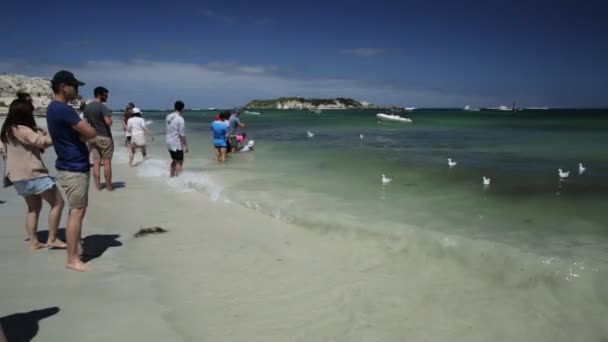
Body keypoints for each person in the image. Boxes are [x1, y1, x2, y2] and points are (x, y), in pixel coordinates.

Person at [46, 70, 97, 272]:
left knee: (78, 210)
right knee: (77, 211)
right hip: (73, 166)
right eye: (75, 86)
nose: (77, 90)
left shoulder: (55, 108)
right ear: (63, 87)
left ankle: (77, 249)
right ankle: (72, 258)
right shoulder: (63, 109)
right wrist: (87, 132)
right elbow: (90, 132)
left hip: (71, 163)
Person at [1, 99, 66, 250]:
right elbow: (41, 142)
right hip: (33, 174)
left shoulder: (6, 131)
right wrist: (58, 136)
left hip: (16, 177)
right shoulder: (21, 129)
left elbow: (3, 152)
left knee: (33, 208)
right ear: (25, 113)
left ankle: (34, 242)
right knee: (58, 203)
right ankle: (52, 238)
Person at [84, 86, 114, 191]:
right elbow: (108, 123)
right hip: (104, 137)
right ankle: (109, 187)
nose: (107, 97)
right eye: (106, 95)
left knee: (96, 162)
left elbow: (85, 124)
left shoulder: (87, 108)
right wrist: (110, 118)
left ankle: (98, 186)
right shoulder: (103, 107)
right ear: (100, 95)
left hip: (92, 137)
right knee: (106, 163)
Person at [165, 100, 187, 177]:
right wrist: (186, 146)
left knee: (174, 160)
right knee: (179, 162)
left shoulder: (168, 116)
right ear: (182, 108)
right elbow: (182, 134)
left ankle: (171, 176)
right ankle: (179, 180)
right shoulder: (180, 119)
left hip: (168, 142)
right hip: (176, 143)